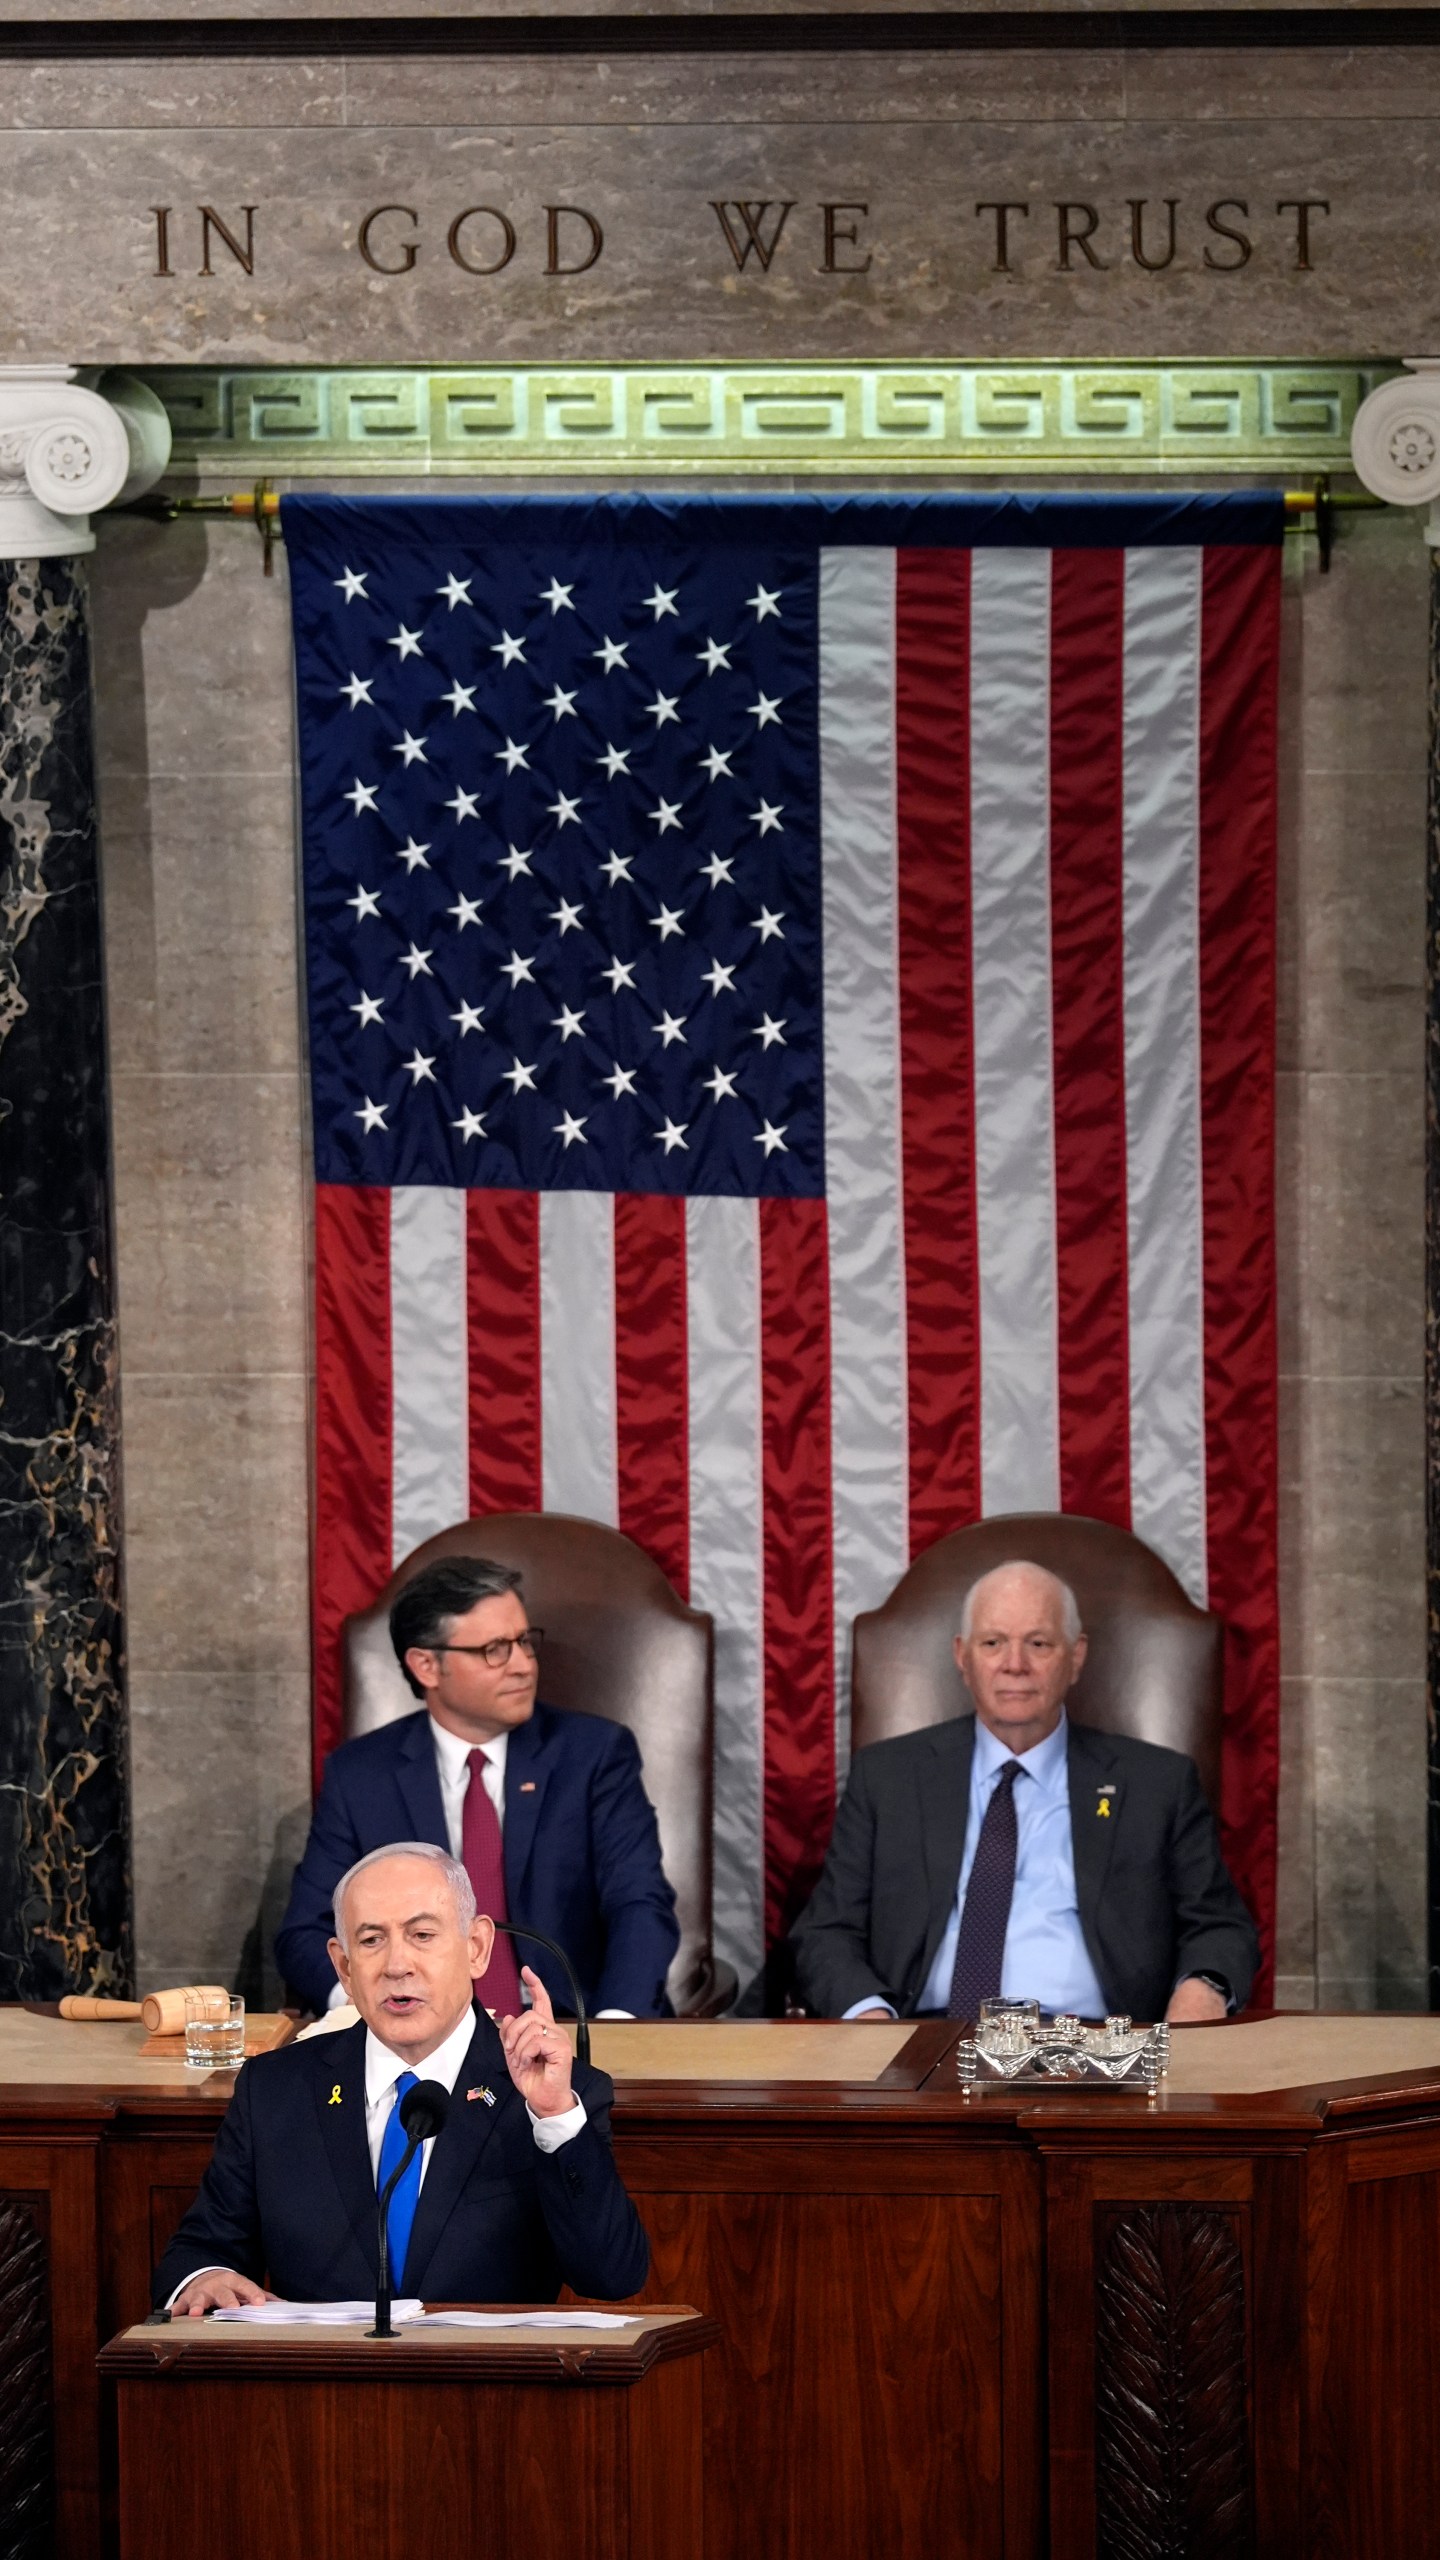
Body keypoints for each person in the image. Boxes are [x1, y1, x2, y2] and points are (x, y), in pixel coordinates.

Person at [157, 1841, 650, 2313]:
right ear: (344, 1968)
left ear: (476, 1947)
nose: (397, 1965)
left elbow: (611, 2277)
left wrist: (554, 2118)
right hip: (320, 2392)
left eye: (422, 1935)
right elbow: (200, 2251)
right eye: (371, 1940)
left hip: (491, 2390)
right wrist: (203, 2278)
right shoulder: (275, 2090)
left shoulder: (559, 2094)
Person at [790, 1559, 1259, 2026]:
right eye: (993, 1643)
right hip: (920, 2040)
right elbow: (826, 1931)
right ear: (962, 1656)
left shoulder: (1157, 1783)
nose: (1015, 1665)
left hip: (1096, 2051)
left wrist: (1200, 1994)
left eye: (1038, 1643)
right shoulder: (887, 1776)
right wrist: (871, 2020)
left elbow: (1219, 1927)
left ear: (1075, 1656)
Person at [276, 1556, 679, 2021]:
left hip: (568, 2024)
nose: (524, 1666)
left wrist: (614, 2029)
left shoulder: (595, 1755)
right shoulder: (362, 1774)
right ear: (426, 1665)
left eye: (525, 1642)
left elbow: (640, 1904)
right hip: (418, 2035)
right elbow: (304, 1932)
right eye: (495, 1649)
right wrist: (362, 2009)